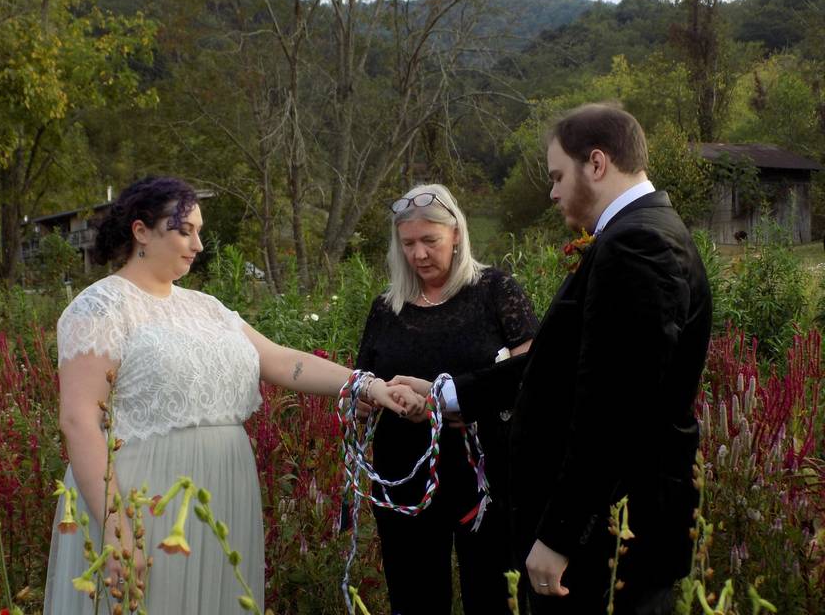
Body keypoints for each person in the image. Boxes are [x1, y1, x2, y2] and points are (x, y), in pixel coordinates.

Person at [43, 176, 420, 614]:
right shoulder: (100, 307)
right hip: (143, 498)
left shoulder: (208, 309)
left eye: (199, 232)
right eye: (185, 230)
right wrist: (114, 525)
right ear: (141, 231)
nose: (198, 245)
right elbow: (78, 419)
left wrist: (366, 385)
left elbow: (281, 361)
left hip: (221, 494)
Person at [395, 104, 713, 614]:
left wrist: (561, 535)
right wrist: (446, 394)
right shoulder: (636, 234)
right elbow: (562, 363)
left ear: (597, 163)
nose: (552, 191)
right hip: (604, 530)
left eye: (557, 175)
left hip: (609, 538)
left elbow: (613, 408)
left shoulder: (639, 245)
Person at [354, 183, 538, 615]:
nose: (419, 254)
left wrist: (449, 399)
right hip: (404, 472)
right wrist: (370, 401)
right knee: (414, 593)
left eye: (429, 241)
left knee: (494, 590)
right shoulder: (387, 307)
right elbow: (363, 381)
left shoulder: (496, 291)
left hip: (485, 470)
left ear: (456, 233)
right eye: (409, 244)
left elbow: (529, 373)